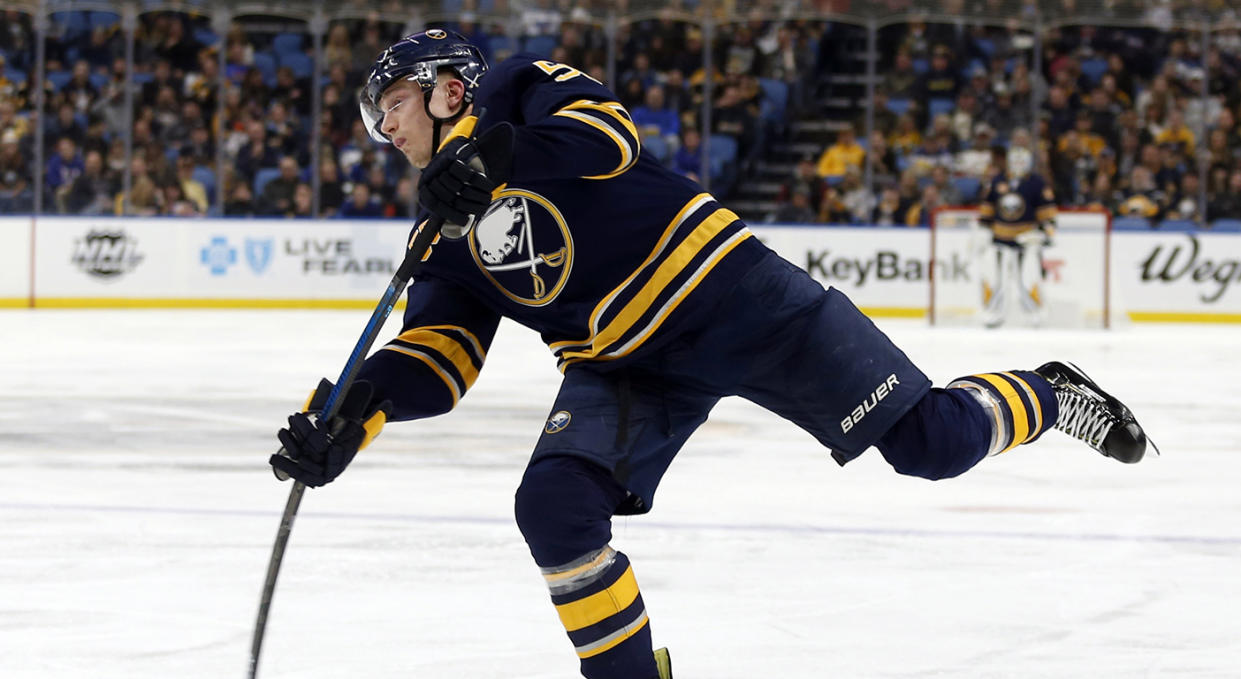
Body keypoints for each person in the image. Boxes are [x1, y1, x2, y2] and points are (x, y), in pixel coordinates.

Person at [268, 31, 1154, 679]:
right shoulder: (442, 229)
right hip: (623, 363)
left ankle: (1048, 392)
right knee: (553, 505)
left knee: (931, 445)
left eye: (391, 106)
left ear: (445, 88)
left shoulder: (515, 85)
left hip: (737, 299)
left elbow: (609, 138)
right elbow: (440, 355)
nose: (384, 131)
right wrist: (356, 410)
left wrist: (497, 158)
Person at [978, 147, 1058, 328]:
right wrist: (983, 230)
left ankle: (1034, 313)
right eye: (1015, 161)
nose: (1018, 165)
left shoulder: (1037, 183)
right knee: (996, 278)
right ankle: (993, 313)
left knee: (1028, 278)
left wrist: (1046, 233)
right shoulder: (997, 181)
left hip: (1026, 240)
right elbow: (987, 209)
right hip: (1000, 238)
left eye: (1022, 161)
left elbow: (1047, 214)